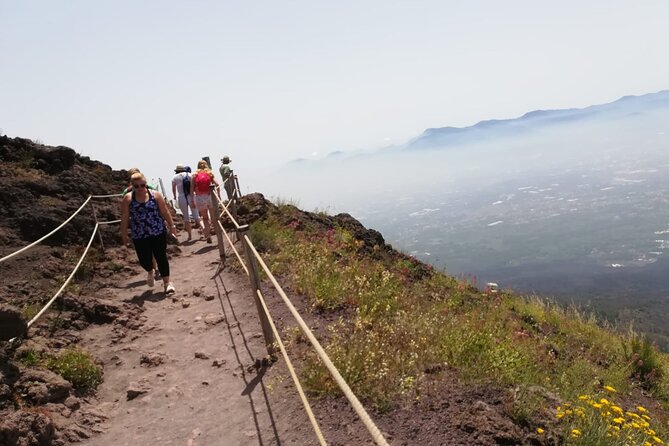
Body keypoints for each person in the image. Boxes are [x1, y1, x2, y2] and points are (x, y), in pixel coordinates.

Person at [120, 172, 177, 294]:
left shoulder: (155, 195)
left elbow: (165, 211)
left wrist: (172, 226)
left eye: (143, 185)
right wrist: (124, 234)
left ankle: (167, 282)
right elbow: (124, 218)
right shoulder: (128, 198)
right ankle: (150, 271)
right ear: (132, 186)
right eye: (137, 186)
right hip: (139, 234)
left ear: (146, 184)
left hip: (157, 230)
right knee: (144, 259)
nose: (140, 188)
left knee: (161, 256)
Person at [193, 159, 220, 244]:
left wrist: (191, 200)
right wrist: (218, 195)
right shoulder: (210, 173)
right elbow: (217, 185)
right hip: (210, 196)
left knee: (205, 218)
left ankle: (208, 235)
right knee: (214, 218)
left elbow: (191, 189)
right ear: (206, 165)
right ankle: (219, 237)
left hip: (200, 198)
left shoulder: (194, 175)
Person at [171, 164, 194, 240]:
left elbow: (173, 188)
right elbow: (194, 185)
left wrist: (174, 196)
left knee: (186, 217)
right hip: (190, 196)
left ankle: (190, 236)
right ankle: (205, 231)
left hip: (181, 197)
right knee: (196, 216)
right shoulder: (190, 175)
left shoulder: (175, 177)